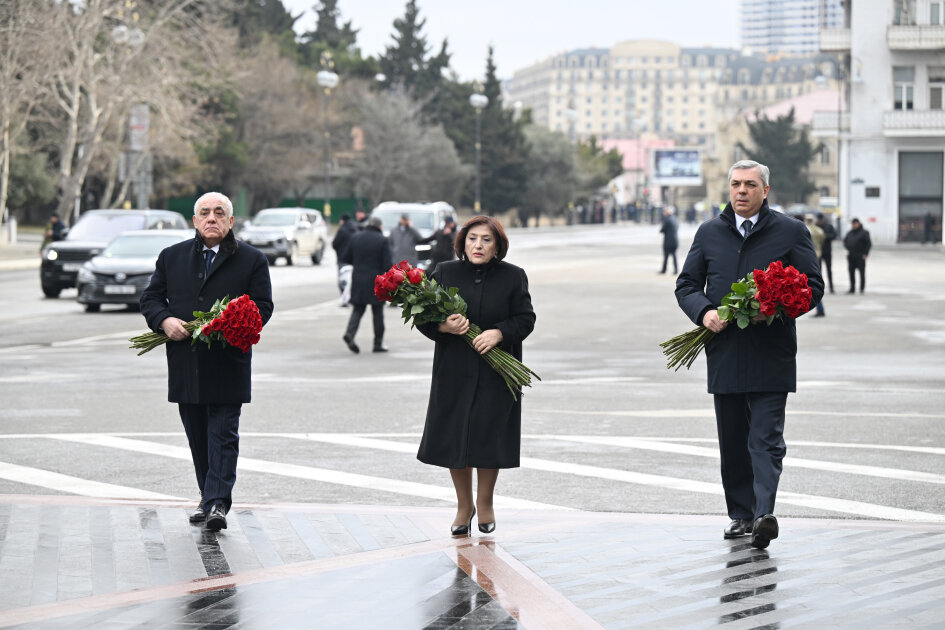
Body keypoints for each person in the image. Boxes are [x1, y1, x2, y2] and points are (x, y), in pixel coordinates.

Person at [675, 160, 823, 550]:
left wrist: (776, 308)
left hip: (771, 351)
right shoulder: (709, 233)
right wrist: (704, 311)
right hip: (724, 350)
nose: (742, 191)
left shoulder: (791, 232)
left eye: (750, 185)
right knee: (733, 438)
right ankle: (741, 514)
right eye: (736, 184)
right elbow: (687, 284)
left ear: (765, 191)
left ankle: (764, 514)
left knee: (766, 438)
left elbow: (813, 287)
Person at [140, 192, 274, 532]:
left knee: (223, 435)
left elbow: (263, 306)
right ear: (195, 221)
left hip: (228, 362)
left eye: (219, 213)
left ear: (231, 222)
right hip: (187, 362)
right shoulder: (172, 257)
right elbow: (152, 298)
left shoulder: (252, 259)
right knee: (198, 435)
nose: (211, 218)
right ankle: (207, 496)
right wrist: (165, 321)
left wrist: (231, 324)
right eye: (204, 213)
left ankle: (218, 502)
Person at [416, 216, 536, 537]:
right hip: (454, 369)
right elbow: (423, 318)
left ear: (497, 246)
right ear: (462, 243)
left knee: (488, 435)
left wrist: (499, 333)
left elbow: (525, 319)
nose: (478, 245)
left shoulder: (513, 277)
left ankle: (485, 503)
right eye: (472, 239)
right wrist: (443, 326)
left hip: (497, 370)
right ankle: (463, 505)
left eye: (486, 239)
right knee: (456, 436)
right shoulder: (443, 272)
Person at [341, 216, 392, 353]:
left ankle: (349, 334)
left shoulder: (355, 237)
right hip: (376, 280)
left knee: (358, 308)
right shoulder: (382, 240)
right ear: (379, 226)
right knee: (378, 312)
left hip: (358, 278)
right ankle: (378, 343)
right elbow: (387, 264)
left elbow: (346, 258)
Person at [332, 214, 357, 306]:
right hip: (354, 259)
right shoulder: (355, 229)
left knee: (343, 281)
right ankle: (351, 298)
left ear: (342, 220)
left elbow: (334, 244)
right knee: (352, 280)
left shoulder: (342, 230)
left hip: (342, 259)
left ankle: (345, 299)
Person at [804, 215, 826, 317]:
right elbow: (822, 241)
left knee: (811, 283)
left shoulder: (805, 229)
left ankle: (820, 308)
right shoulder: (819, 231)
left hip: (809, 257)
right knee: (817, 281)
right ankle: (820, 308)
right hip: (818, 255)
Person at [843, 218, 871, 294]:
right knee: (851, 273)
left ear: (858, 223)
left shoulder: (864, 233)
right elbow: (845, 241)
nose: (854, 225)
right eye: (853, 224)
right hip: (851, 255)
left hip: (860, 256)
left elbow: (868, 244)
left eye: (855, 224)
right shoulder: (850, 232)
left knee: (861, 273)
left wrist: (865, 254)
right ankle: (852, 288)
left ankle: (862, 288)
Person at [815, 213, 836, 294]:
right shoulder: (815, 227)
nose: (820, 222)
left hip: (827, 251)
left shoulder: (829, 226)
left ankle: (831, 287)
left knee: (829, 270)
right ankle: (819, 287)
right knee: (818, 271)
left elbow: (834, 235)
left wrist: (825, 236)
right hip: (818, 251)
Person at [659, 207, 679, 274]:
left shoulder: (667, 220)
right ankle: (676, 269)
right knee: (674, 256)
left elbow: (662, 230)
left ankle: (664, 270)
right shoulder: (675, 219)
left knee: (666, 256)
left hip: (668, 241)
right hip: (675, 240)